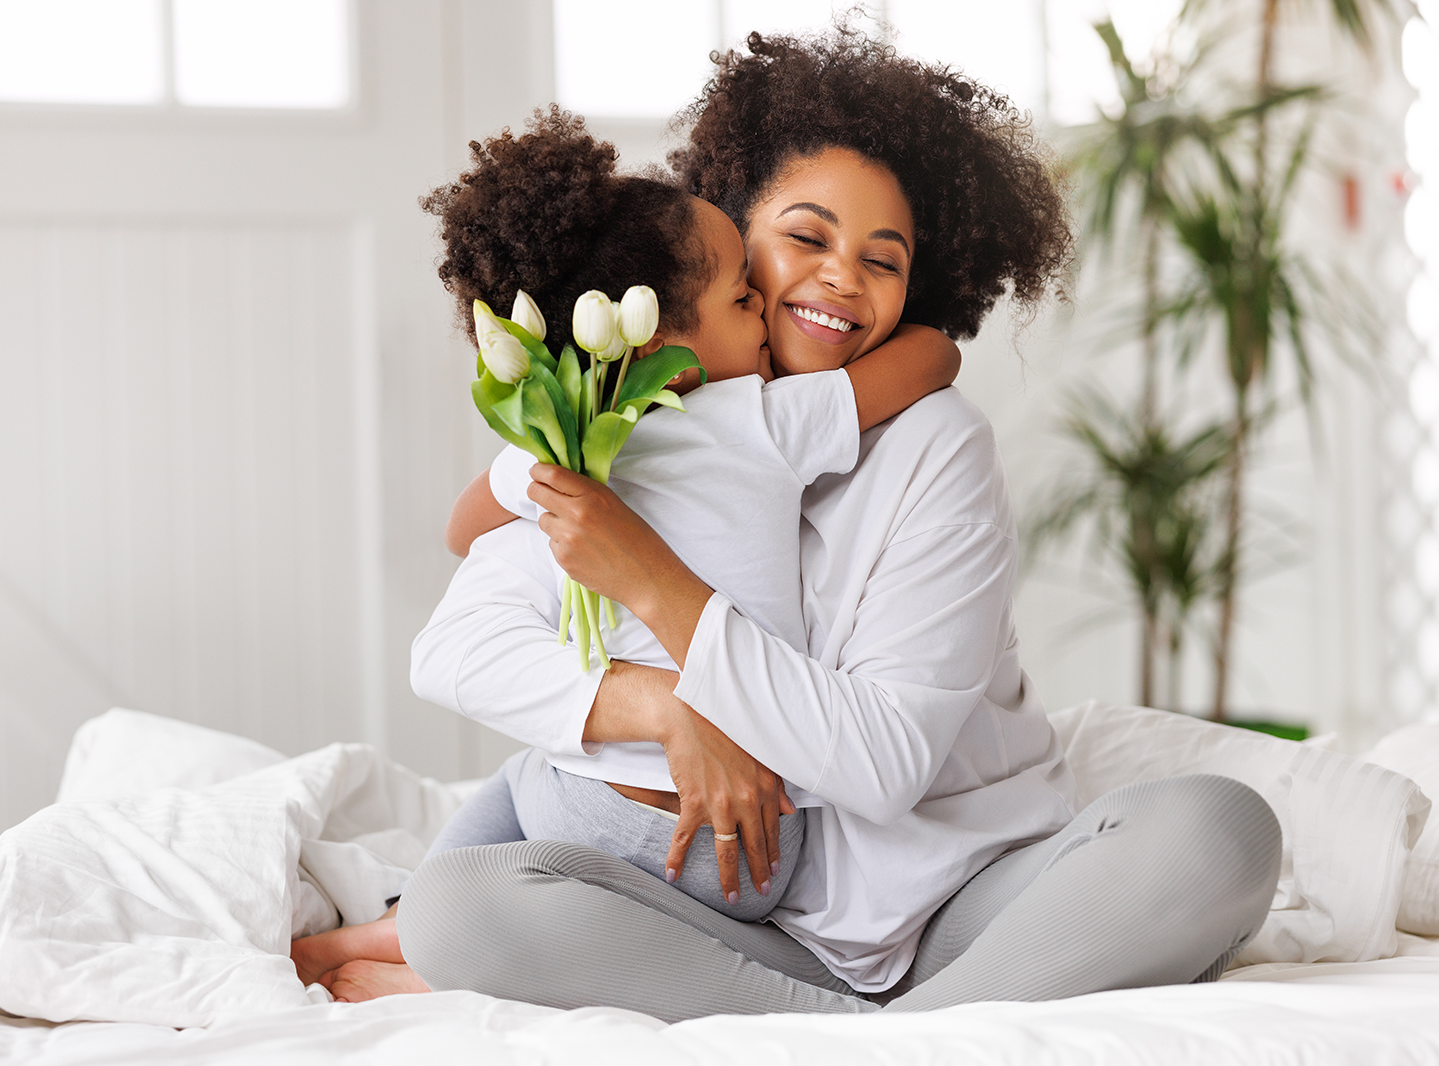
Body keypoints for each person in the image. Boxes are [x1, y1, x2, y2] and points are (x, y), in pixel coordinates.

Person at [326, 31, 1281, 1017]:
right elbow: (469, 607)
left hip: (954, 907)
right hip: (739, 923)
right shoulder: (627, 442)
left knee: (1217, 829)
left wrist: (656, 584)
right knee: (461, 901)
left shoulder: (930, 445)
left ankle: (882, 1035)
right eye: (805, 238)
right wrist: (664, 705)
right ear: (729, 243)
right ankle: (874, 1029)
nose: (840, 279)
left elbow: (879, 766)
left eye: (884, 259)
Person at [289, 106, 962, 996]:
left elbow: (460, 530)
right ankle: (420, 947)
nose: (763, 306)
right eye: (741, 298)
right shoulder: (763, 422)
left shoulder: (562, 448)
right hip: (749, 848)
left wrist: (561, 481)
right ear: (660, 347)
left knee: (525, 781)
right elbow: (932, 357)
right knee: (539, 801)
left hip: (603, 810)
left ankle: (396, 937)